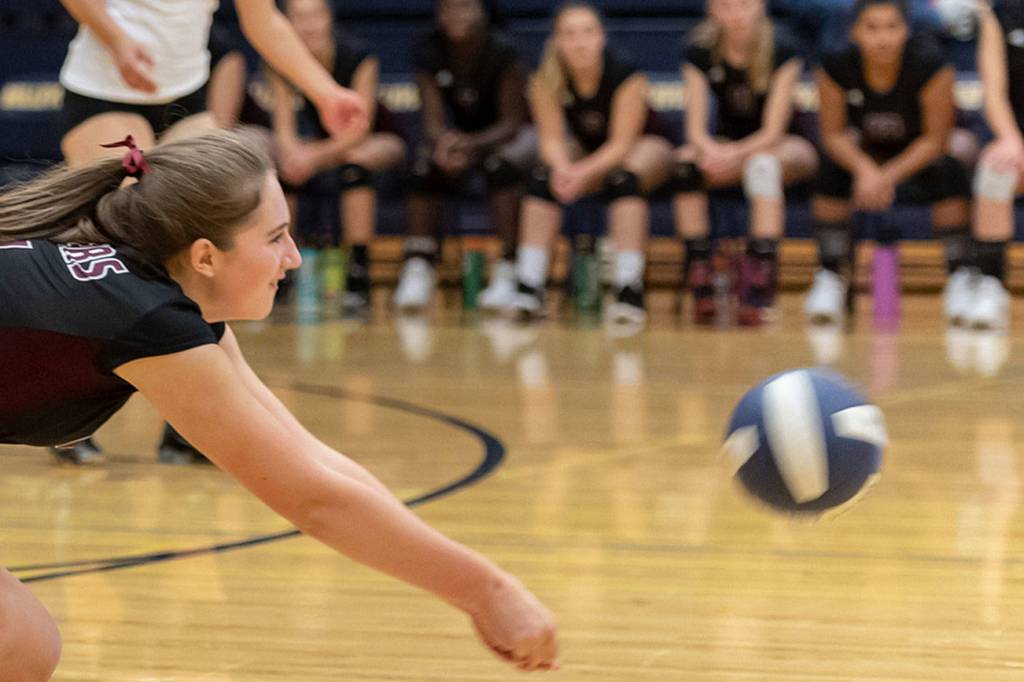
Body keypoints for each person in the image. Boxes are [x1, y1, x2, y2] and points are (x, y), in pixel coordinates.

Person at [0, 130, 558, 680]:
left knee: (22, 647)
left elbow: (314, 464)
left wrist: (485, 587)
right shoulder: (143, 317)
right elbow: (314, 503)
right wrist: (488, 593)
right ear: (205, 257)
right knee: (18, 645)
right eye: (275, 237)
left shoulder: (164, 303)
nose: (293, 258)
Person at [54, 0, 368, 462]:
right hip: (104, 90)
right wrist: (117, 39)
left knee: (208, 248)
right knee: (122, 250)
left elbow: (262, 20)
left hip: (185, 97)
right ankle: (65, 406)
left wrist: (325, 92)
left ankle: (189, 423)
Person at [506, 1, 674, 324]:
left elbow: (622, 144)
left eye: (587, 32)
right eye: (569, 34)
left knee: (625, 179)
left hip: (646, 145)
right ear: (556, 41)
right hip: (588, 149)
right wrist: (562, 170)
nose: (579, 42)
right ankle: (529, 287)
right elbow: (551, 140)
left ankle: (628, 289)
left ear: (601, 37)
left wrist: (580, 172)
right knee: (544, 179)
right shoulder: (545, 78)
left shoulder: (624, 71)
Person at [804, 0, 971, 324]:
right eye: (872, 28)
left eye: (892, 27)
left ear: (906, 31)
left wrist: (886, 176)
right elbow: (833, 135)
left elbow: (935, 140)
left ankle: (960, 277)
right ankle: (830, 275)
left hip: (918, 153)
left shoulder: (930, 65)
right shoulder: (836, 66)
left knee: (949, 167)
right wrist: (867, 170)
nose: (883, 38)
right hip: (865, 153)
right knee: (831, 169)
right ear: (855, 32)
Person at [670, 0, 818, 325]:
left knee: (762, 165)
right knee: (685, 165)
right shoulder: (700, 49)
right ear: (712, 10)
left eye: (744, 5)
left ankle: (758, 281)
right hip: (729, 144)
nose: (736, 15)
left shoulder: (783, 46)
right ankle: (701, 276)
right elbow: (694, 128)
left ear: (761, 7)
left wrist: (731, 154)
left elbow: (773, 131)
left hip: (788, 144)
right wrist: (711, 149)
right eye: (726, 6)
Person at [393, 0, 534, 313]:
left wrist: (469, 145)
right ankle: (420, 263)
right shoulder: (429, 49)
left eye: (465, 8)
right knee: (423, 166)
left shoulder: (504, 50)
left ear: (483, 12)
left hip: (505, 137)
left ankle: (509, 266)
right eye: (448, 9)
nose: (456, 16)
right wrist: (443, 144)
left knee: (500, 167)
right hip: (459, 138)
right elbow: (431, 119)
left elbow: (511, 123)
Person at [270, 0, 406, 317]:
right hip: (314, 143)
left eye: (316, 16)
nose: (309, 25)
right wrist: (292, 154)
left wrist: (312, 157)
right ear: (286, 23)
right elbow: (284, 127)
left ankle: (359, 275)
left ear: (329, 19)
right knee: (279, 171)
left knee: (354, 168)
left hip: (374, 139)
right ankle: (283, 273)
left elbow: (359, 130)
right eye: (299, 18)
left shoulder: (357, 55)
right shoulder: (278, 58)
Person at [943, 0, 1024, 329]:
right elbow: (994, 94)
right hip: (1018, 138)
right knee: (996, 167)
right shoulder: (1000, 14)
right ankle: (991, 286)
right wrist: (1012, 139)